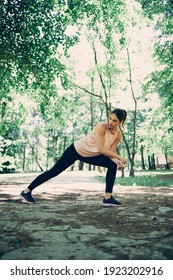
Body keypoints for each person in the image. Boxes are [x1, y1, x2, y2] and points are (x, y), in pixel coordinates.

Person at [20, 108, 127, 207]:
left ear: (120, 122)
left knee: (112, 164)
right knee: (54, 171)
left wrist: (118, 162)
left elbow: (110, 153)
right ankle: (26, 191)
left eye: (114, 121)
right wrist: (119, 157)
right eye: (110, 119)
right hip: (77, 150)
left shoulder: (118, 135)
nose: (110, 122)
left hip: (91, 155)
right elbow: (101, 148)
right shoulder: (101, 126)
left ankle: (108, 198)